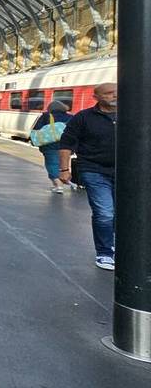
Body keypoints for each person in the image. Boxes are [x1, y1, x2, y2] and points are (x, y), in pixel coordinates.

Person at [59, 83, 117, 270]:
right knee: (105, 212)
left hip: (127, 171)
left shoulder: (133, 114)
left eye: (117, 92)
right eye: (109, 93)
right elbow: (66, 143)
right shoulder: (83, 117)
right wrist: (64, 169)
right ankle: (105, 252)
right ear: (96, 97)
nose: (115, 95)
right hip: (93, 170)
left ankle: (115, 244)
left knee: (121, 213)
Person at [31, 100, 74, 194]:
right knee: (63, 164)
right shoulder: (71, 117)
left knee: (52, 164)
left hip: (50, 145)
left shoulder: (46, 116)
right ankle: (63, 182)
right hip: (67, 145)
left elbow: (36, 130)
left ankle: (58, 185)